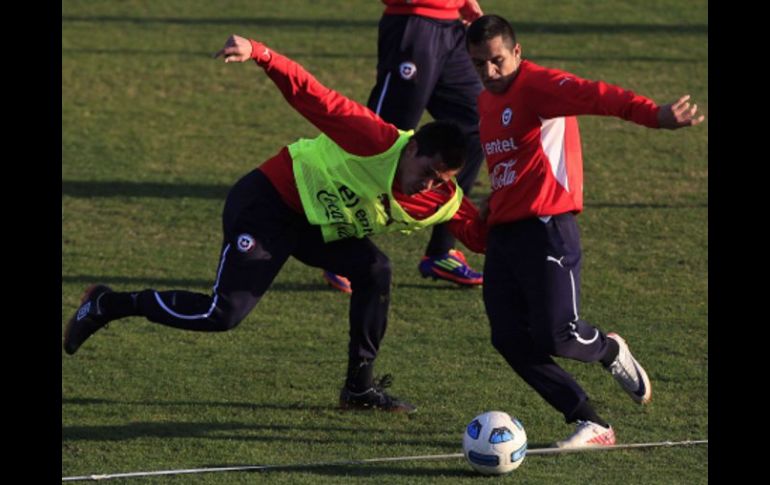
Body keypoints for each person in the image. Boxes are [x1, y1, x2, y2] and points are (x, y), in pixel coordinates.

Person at [63, 34, 487, 414]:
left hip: (314, 230)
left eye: (439, 180)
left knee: (375, 268)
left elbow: (485, 237)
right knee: (221, 314)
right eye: (426, 172)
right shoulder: (372, 139)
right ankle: (107, 304)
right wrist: (261, 53)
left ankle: (359, 388)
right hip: (267, 204)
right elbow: (314, 96)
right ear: (412, 148)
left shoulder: (444, 201)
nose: (426, 186)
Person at [464, 15, 704, 447]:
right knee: (509, 338)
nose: (489, 72)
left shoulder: (539, 86)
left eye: (497, 61)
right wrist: (491, 202)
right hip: (505, 236)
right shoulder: (485, 101)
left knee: (558, 334)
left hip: (547, 228)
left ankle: (610, 350)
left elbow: (599, 96)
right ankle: (589, 421)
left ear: (517, 53)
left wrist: (656, 115)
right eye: (479, 64)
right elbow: (511, 162)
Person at [322, 0, 486, 294]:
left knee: (479, 125)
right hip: (414, 24)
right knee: (382, 139)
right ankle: (340, 249)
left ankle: (441, 252)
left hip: (451, 26)